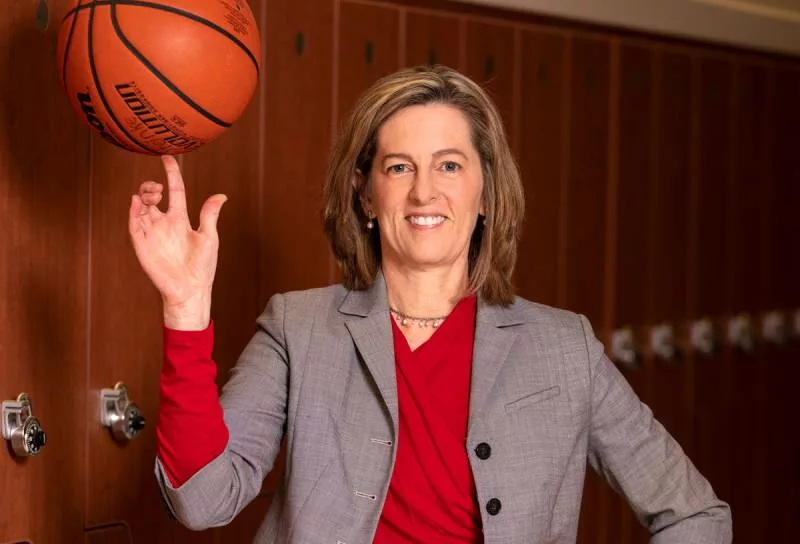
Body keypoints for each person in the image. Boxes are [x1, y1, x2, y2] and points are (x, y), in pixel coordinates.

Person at [129, 65, 732, 543]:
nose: (425, 190)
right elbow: (203, 502)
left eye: (449, 164)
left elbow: (694, 513)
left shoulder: (562, 347)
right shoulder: (298, 328)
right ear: (365, 194)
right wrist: (186, 307)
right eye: (399, 167)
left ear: (486, 190)